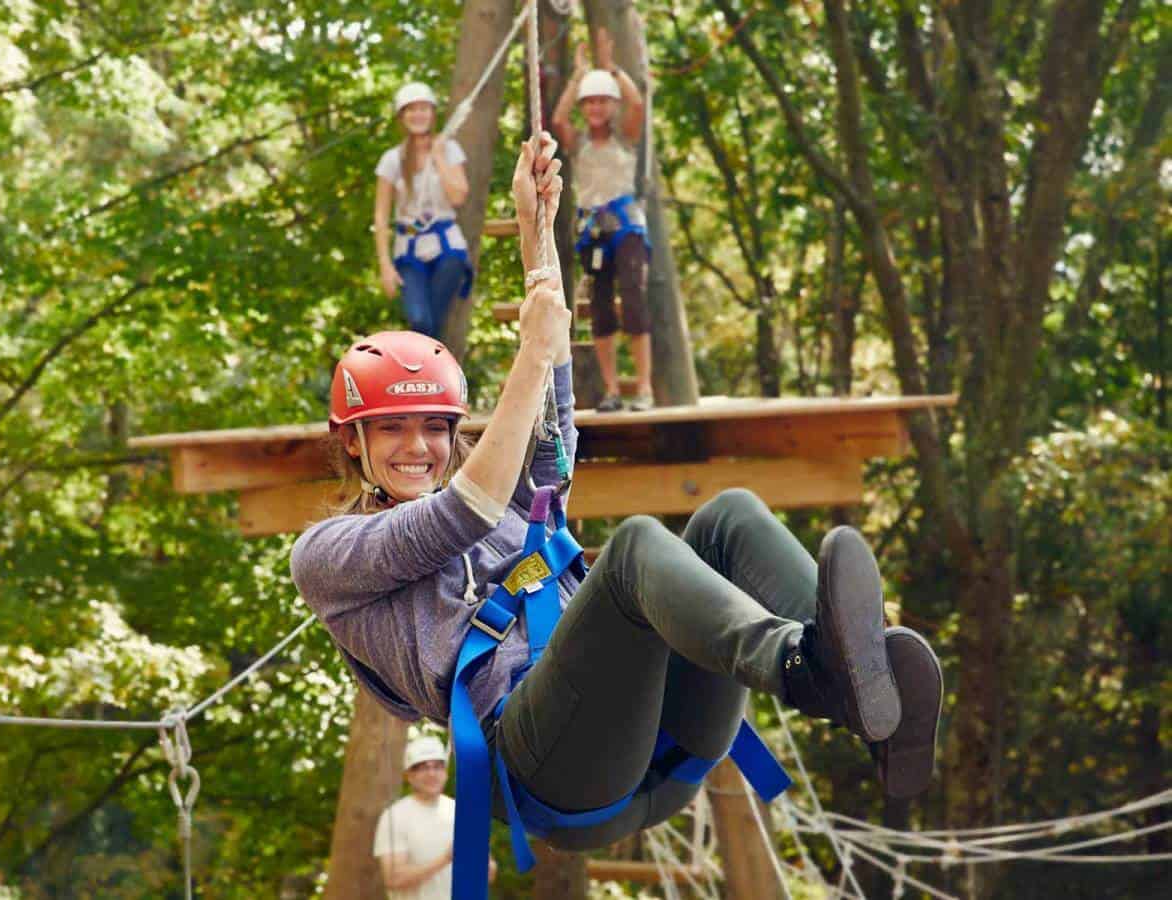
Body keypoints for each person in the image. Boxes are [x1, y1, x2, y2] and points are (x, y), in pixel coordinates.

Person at [293, 135, 942, 893]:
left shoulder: (505, 509)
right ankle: (804, 667)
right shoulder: (330, 555)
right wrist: (529, 358)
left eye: (435, 427)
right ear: (353, 441)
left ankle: (864, 686)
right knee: (633, 549)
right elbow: (457, 518)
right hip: (550, 769)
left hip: (664, 738)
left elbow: (556, 430)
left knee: (726, 518)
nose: (418, 448)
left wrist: (537, 231)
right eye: (393, 430)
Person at [551, 30, 652, 412]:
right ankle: (611, 389)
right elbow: (558, 117)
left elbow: (638, 104)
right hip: (593, 230)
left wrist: (611, 70)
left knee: (636, 299)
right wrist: (578, 77)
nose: (596, 108)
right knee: (603, 308)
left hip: (626, 226)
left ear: (612, 106)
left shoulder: (625, 137)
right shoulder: (578, 142)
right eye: (589, 102)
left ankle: (643, 388)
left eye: (603, 101)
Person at [374, 82, 472, 340]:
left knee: (434, 322)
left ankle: (431, 371)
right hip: (409, 249)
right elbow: (381, 216)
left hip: (446, 247)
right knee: (420, 320)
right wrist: (385, 265)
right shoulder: (392, 160)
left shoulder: (449, 150)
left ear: (432, 113)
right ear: (402, 116)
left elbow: (458, 196)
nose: (418, 115)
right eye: (411, 110)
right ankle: (424, 368)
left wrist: (438, 157)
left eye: (423, 109)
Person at [374, 735, 496, 898]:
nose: (432, 773)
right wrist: (446, 858)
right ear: (409, 775)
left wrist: (483, 863)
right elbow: (394, 878)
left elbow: (488, 874)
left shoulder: (461, 810)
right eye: (423, 767)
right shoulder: (395, 816)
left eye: (438, 766)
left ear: (445, 772)